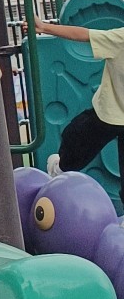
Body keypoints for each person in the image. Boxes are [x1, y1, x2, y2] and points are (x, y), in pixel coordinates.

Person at [34, 13, 124, 179]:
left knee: (77, 136)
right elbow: (83, 34)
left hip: (109, 114)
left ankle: (62, 168)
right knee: (76, 138)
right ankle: (60, 168)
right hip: (108, 114)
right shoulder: (120, 38)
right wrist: (44, 27)